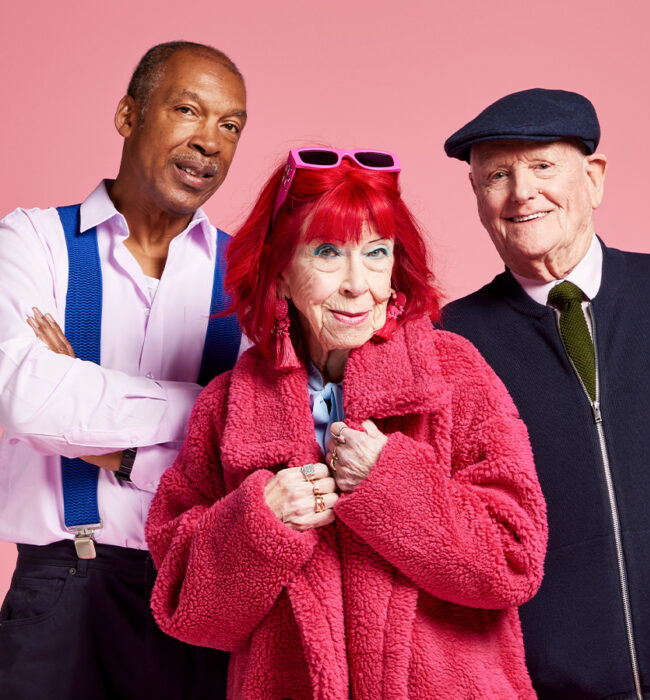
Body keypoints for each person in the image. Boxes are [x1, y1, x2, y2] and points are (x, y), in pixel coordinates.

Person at [145, 147, 548, 699]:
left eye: (376, 253)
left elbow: (512, 563)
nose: (358, 284)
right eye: (328, 253)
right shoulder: (228, 403)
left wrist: (393, 485)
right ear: (280, 272)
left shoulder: (452, 373)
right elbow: (189, 613)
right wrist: (260, 520)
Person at [0, 41, 247, 699]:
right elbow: (24, 400)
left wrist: (84, 393)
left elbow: (250, 457)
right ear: (128, 114)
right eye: (189, 110)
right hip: (63, 591)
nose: (211, 142)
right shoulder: (32, 241)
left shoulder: (251, 275)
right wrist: (206, 407)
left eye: (230, 126)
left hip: (200, 596)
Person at [441, 88, 650, 699]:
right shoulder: (450, 343)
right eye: (497, 175)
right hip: (546, 689)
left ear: (594, 178)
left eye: (542, 166)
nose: (521, 192)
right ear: (478, 199)